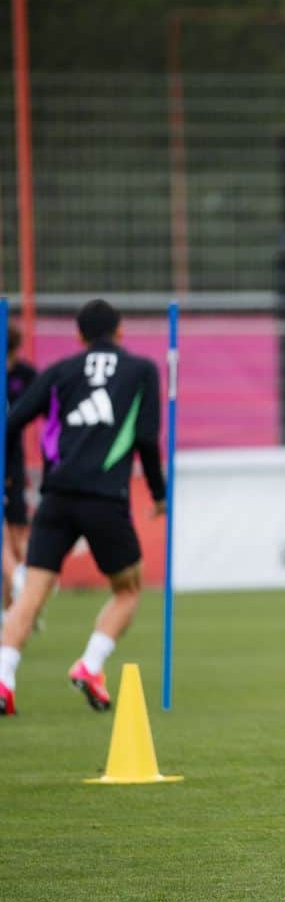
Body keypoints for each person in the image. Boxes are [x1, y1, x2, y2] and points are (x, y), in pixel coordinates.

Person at [0, 299, 166, 717]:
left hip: (56, 496)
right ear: (121, 331)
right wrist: (159, 493)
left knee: (32, 593)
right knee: (127, 589)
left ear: (78, 336)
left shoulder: (59, 372)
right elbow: (146, 438)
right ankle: (91, 665)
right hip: (106, 499)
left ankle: (3, 678)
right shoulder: (143, 370)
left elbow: (13, 420)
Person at [4, 325, 38, 609]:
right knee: (7, 536)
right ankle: (18, 579)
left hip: (13, 460)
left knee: (15, 535)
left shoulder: (26, 376)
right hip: (13, 460)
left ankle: (16, 592)